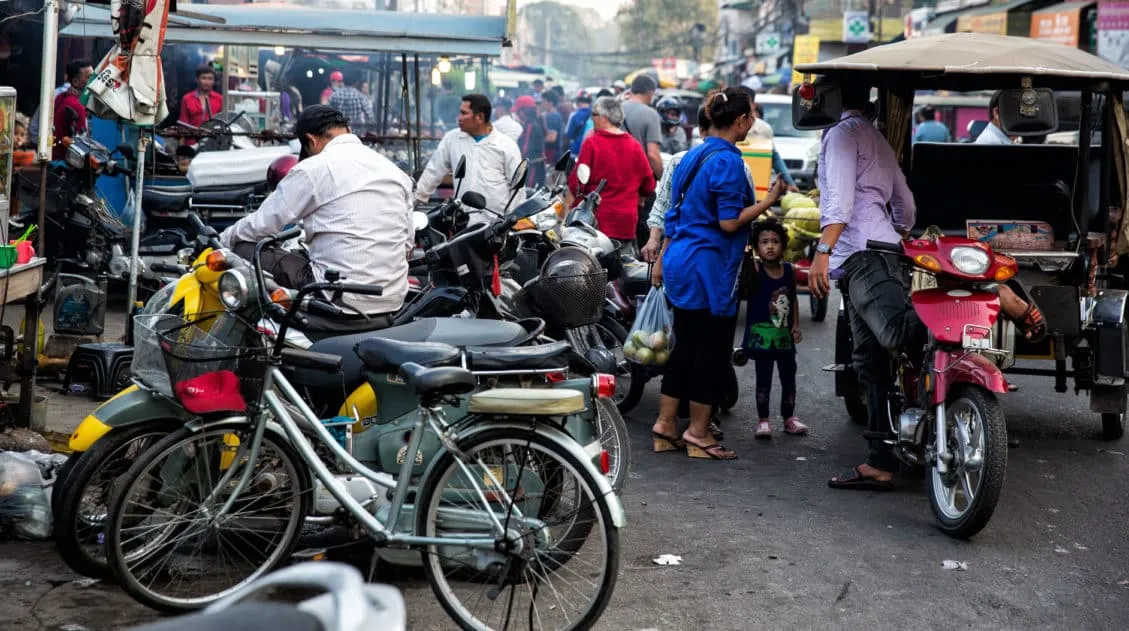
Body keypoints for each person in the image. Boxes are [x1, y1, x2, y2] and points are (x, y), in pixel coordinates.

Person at [809, 82, 1044, 490]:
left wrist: (822, 250)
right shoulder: (876, 137)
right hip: (879, 252)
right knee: (870, 363)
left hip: (862, 255)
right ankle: (880, 458)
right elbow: (907, 207)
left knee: (897, 333)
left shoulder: (843, 134)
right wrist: (891, 232)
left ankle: (984, 294)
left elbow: (840, 204)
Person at [650, 87, 786, 460]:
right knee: (711, 352)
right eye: (751, 116)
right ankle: (697, 433)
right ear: (741, 121)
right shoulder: (725, 161)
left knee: (686, 347)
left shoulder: (693, 155)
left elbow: (675, 214)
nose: (752, 122)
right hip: (707, 266)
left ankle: (665, 426)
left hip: (681, 259)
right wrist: (768, 202)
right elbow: (728, 223)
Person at [219, 105, 413, 319]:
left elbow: (262, 225)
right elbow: (407, 245)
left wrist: (224, 241)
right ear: (346, 129)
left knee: (244, 248)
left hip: (338, 298)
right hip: (392, 299)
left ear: (311, 140)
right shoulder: (393, 171)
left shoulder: (313, 169)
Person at [641, 105, 756, 263]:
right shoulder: (736, 165)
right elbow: (733, 222)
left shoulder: (681, 160)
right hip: (708, 259)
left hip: (684, 255)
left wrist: (659, 253)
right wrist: (770, 200)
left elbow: (667, 211)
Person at [741, 220, 807, 438]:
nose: (770, 246)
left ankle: (789, 418)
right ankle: (763, 420)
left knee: (789, 378)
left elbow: (793, 300)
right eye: (764, 242)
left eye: (775, 242)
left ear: (783, 246)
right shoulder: (754, 270)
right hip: (762, 340)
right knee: (764, 380)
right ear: (756, 247)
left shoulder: (789, 270)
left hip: (784, 339)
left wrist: (795, 325)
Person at [566, 97, 655, 251]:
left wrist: (567, 211)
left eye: (594, 114)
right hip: (625, 224)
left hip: (595, 224)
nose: (592, 119)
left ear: (604, 118)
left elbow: (577, 183)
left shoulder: (592, 143)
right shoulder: (634, 145)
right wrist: (638, 200)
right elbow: (649, 185)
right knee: (621, 270)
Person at [416, 94, 524, 218]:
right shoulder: (452, 139)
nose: (459, 118)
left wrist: (513, 219)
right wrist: (415, 201)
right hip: (462, 221)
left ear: (480, 117)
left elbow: (518, 188)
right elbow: (433, 172)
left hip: (495, 224)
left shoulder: (506, 145)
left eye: (464, 113)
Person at [622, 75, 664, 180]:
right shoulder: (651, 114)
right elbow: (652, 154)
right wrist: (662, 178)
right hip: (637, 179)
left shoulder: (614, 109)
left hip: (612, 174)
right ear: (650, 93)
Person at [178, 65, 224, 142]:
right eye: (204, 78)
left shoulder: (220, 99)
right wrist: (181, 146)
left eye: (210, 79)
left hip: (213, 142)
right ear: (197, 79)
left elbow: (223, 124)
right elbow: (183, 124)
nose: (207, 82)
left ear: (213, 81)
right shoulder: (187, 98)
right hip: (191, 142)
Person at [514, 95, 546, 186]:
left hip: (532, 168)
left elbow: (525, 150)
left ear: (523, 111)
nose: (517, 114)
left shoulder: (530, 126)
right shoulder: (536, 123)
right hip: (537, 168)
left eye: (518, 111)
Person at [540, 90, 564, 167]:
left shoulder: (552, 116)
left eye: (543, 101)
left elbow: (551, 138)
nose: (542, 103)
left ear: (550, 103)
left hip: (551, 155)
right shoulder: (549, 114)